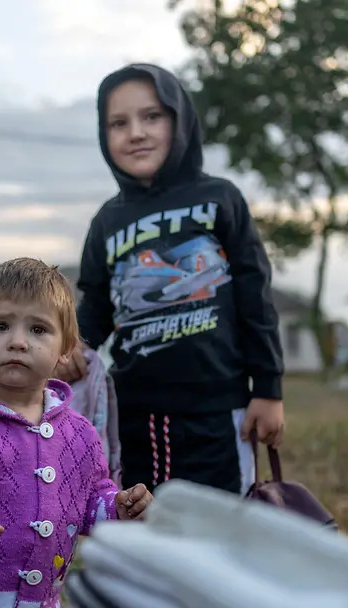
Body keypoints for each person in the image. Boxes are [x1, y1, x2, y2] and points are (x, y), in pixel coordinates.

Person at [54, 63, 286, 497]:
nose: (136, 132)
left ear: (180, 121)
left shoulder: (219, 199)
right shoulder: (108, 220)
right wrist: (73, 344)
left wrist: (268, 390)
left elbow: (256, 299)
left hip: (218, 412)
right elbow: (97, 305)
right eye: (118, 123)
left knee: (220, 531)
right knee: (143, 530)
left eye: (152, 117)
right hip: (133, 415)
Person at [0, 258, 153, 608]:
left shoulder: (79, 435)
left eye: (38, 330)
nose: (18, 342)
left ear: (66, 348)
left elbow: (90, 501)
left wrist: (119, 508)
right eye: (1, 326)